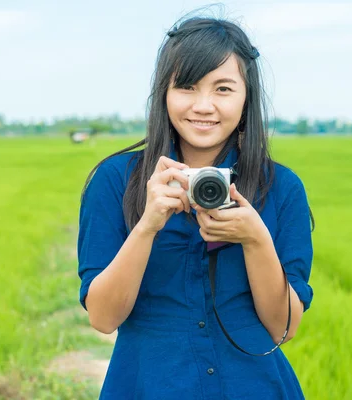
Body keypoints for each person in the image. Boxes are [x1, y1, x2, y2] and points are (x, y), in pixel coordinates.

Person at [77, 14, 314, 400]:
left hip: (254, 387)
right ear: (164, 93)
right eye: (186, 86)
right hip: (149, 386)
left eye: (223, 89)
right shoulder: (117, 181)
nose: (204, 106)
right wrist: (147, 226)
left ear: (246, 97)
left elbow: (282, 330)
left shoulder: (281, 189)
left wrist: (256, 240)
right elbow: (103, 318)